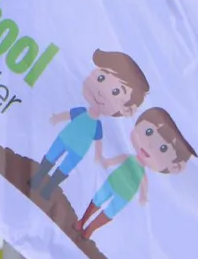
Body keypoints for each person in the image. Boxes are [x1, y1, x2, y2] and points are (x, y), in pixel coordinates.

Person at [28, 50, 150, 201]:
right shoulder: (81, 111)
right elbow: (67, 115)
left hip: (78, 151)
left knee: (64, 168)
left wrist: (98, 155)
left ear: (126, 109)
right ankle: (37, 180)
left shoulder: (97, 126)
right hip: (64, 139)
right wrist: (56, 118)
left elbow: (98, 141)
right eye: (101, 77)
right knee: (50, 157)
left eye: (116, 92)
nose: (101, 93)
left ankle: (48, 189)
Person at [76, 106, 197, 240]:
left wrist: (143, 195)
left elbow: (143, 180)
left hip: (125, 192)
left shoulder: (141, 169)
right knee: (99, 199)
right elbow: (121, 160)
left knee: (110, 210)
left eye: (163, 148)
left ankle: (90, 229)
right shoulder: (131, 158)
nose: (150, 146)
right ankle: (82, 222)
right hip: (115, 182)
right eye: (149, 132)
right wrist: (108, 162)